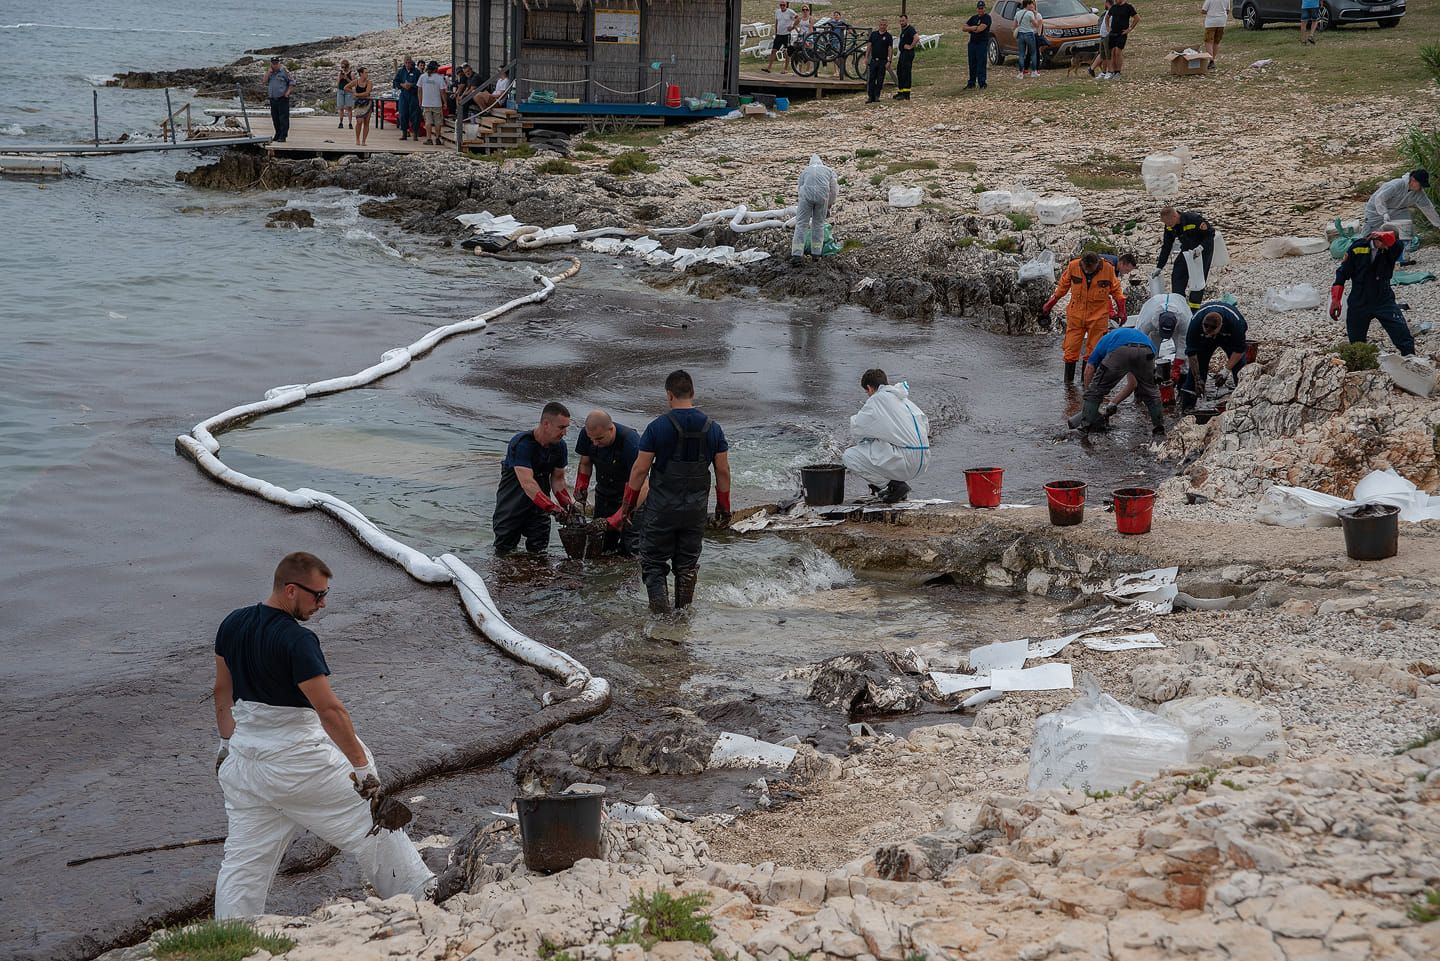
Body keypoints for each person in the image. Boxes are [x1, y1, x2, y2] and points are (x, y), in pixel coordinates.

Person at [212, 552, 440, 918]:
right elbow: (331, 712)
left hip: (246, 766)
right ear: (290, 590)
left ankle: (230, 932)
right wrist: (364, 771)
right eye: (317, 595)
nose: (323, 603)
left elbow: (222, 691)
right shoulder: (297, 641)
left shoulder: (232, 624)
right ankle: (421, 897)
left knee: (244, 862)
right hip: (298, 764)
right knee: (374, 818)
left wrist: (225, 746)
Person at [617, 370, 731, 615]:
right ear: (693, 393)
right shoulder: (713, 428)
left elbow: (639, 470)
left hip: (661, 510)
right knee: (687, 565)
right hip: (695, 510)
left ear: (669, 395)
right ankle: (683, 617)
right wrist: (724, 507)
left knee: (654, 564)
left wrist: (627, 504)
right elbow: (723, 471)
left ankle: (660, 618)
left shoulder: (657, 427)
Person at [492, 403, 574, 554]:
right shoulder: (522, 444)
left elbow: (558, 480)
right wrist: (552, 508)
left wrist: (567, 505)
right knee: (504, 552)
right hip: (512, 506)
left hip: (539, 510)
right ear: (546, 424)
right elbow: (527, 483)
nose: (565, 432)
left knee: (539, 552)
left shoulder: (560, 447)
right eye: (561, 427)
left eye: (566, 427)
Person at [841, 368, 931, 503]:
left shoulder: (878, 400)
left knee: (849, 456)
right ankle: (896, 487)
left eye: (867, 392)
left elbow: (857, 428)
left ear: (869, 388)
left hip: (905, 461)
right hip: (923, 460)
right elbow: (925, 427)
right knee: (879, 443)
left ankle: (893, 486)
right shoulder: (903, 399)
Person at [1043, 251, 1127, 384]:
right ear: (1081, 263)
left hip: (1098, 316)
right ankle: (1068, 385)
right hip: (1076, 314)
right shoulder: (1073, 266)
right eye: (1085, 267)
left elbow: (1117, 291)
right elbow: (1062, 287)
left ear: (1097, 264)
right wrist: (1050, 304)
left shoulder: (1108, 269)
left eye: (1090, 268)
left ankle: (1086, 383)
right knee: (1070, 349)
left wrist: (1122, 311)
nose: (1087, 271)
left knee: (1093, 351)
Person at [1332, 226, 1416, 357]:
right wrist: (1336, 300)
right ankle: (1359, 366)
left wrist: (1387, 240)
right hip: (1359, 299)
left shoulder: (1395, 246)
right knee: (1356, 342)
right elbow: (1342, 273)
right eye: (1384, 244)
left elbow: (1392, 245)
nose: (1387, 248)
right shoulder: (1357, 248)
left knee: (1402, 334)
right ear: (1377, 238)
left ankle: (1411, 360)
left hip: (1383, 297)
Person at [574, 410, 646, 556]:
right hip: (604, 495)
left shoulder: (631, 442)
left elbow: (644, 485)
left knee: (630, 549)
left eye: (599, 439)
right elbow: (585, 463)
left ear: (611, 429)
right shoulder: (587, 435)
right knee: (601, 546)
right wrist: (581, 485)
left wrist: (620, 517)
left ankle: (629, 577)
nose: (595, 443)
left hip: (631, 499)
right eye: (592, 439)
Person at [1072, 327, 1165, 434]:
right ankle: (1159, 428)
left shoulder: (1105, 339)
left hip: (1119, 352)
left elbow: (1089, 369)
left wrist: (1088, 397)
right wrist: (1113, 404)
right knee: (1151, 392)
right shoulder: (1141, 337)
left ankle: (1084, 428)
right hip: (1147, 351)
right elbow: (1132, 384)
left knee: (1096, 390)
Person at [1180, 302, 1247, 410]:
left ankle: (1243, 399)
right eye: (1207, 332)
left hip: (1228, 338)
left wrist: (1225, 371)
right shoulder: (1195, 323)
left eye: (1212, 333)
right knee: (1198, 366)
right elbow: (1192, 353)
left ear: (1221, 326)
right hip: (1204, 342)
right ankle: (1188, 405)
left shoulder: (1236, 323)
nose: (1210, 336)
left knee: (1239, 368)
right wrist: (1197, 378)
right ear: (1202, 324)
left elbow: (1239, 350)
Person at [1156, 206, 1216, 310]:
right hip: (1187, 250)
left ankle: (1194, 308)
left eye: (1168, 222)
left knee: (1198, 279)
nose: (1167, 225)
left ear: (1174, 216)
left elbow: (1210, 234)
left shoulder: (1193, 219)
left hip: (1203, 251)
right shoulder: (1170, 226)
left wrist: (1201, 247)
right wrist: (1159, 266)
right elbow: (1167, 246)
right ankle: (1179, 303)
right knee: (1178, 273)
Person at [1362, 170, 1439, 236]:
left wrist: (1438, 224)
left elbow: (1428, 209)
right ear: (1413, 180)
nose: (1422, 187)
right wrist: (1384, 213)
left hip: (1398, 210)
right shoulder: (1396, 184)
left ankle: (1403, 248)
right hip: (1375, 209)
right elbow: (1379, 199)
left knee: (1406, 230)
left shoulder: (1419, 193)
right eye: (1421, 185)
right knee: (1368, 234)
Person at [792, 154, 839, 261]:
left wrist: (802, 201)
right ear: (821, 162)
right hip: (822, 198)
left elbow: (800, 188)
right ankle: (816, 254)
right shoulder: (829, 171)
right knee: (818, 225)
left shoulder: (805, 171)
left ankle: (797, 254)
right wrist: (829, 204)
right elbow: (834, 189)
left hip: (806, 198)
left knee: (801, 225)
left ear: (810, 163)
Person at [1104, 0, 1138, 79]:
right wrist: (1108, 27)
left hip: (1122, 34)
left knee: (1118, 52)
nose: (1115, 0)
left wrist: (1129, 29)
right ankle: (1113, 71)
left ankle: (1118, 72)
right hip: (1113, 33)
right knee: (1112, 53)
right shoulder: (1114, 7)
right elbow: (1107, 17)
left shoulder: (1128, 7)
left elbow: (1137, 18)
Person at [417, 60, 448, 146]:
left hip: (426, 102)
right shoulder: (439, 78)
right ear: (435, 69)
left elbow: (419, 90)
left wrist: (420, 101)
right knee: (438, 122)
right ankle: (437, 138)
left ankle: (429, 138)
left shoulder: (423, 77)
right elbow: (443, 92)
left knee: (428, 122)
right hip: (437, 103)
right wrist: (445, 102)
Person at [962, 1, 992, 90]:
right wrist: (972, 28)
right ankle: (971, 83)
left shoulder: (987, 18)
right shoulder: (973, 18)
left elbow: (980, 29)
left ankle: (982, 83)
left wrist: (971, 29)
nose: (980, 10)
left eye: (982, 8)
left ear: (984, 8)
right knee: (972, 63)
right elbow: (964, 28)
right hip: (972, 43)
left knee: (981, 63)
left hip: (981, 43)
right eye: (979, 8)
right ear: (977, 9)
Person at [393, 57, 422, 142]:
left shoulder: (416, 72)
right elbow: (396, 82)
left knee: (415, 115)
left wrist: (411, 85)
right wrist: (402, 85)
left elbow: (420, 84)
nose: (408, 64)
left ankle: (415, 134)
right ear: (404, 63)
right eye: (406, 62)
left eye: (409, 62)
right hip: (404, 95)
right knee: (403, 114)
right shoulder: (401, 72)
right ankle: (404, 133)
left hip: (414, 95)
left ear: (412, 62)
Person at [865, 18, 894, 103]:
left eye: (884, 25)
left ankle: (877, 96)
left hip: (883, 61)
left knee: (880, 79)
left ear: (887, 26)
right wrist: (866, 57)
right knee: (871, 79)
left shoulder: (888, 36)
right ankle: (870, 96)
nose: (882, 26)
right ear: (879, 25)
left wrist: (889, 61)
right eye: (881, 25)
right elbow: (869, 46)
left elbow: (890, 49)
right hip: (874, 60)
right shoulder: (874, 34)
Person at [266, 57, 293, 144]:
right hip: (273, 98)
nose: (275, 65)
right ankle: (277, 134)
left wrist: (287, 93)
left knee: (283, 118)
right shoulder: (270, 72)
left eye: (276, 63)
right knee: (275, 118)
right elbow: (263, 81)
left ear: (279, 63)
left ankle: (283, 135)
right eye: (273, 63)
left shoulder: (284, 71)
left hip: (282, 98)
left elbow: (292, 82)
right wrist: (268, 73)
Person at [765, 1, 798, 73]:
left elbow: (798, 18)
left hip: (787, 34)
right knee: (773, 50)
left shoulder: (790, 12)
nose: (782, 6)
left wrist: (792, 27)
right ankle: (769, 68)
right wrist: (776, 32)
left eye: (784, 5)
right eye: (781, 5)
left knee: (786, 52)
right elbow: (777, 22)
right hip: (779, 34)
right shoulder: (777, 12)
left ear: (786, 5)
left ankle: (785, 69)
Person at [346, 67, 373, 147]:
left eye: (367, 73)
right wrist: (353, 91)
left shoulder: (369, 82)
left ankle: (364, 141)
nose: (367, 74)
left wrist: (357, 94)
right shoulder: (356, 81)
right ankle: (357, 138)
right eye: (365, 73)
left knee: (366, 122)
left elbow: (367, 93)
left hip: (367, 103)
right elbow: (346, 87)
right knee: (359, 121)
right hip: (358, 104)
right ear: (361, 73)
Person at [894, 13, 919, 100]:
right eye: (900, 21)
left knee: (906, 73)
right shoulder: (903, 30)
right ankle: (900, 91)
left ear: (907, 20)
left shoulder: (910, 29)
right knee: (900, 72)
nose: (901, 22)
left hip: (908, 54)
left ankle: (906, 94)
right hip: (902, 54)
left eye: (903, 21)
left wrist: (911, 46)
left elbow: (916, 38)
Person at [1015, 0, 1041, 80]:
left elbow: (1014, 25)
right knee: (1033, 53)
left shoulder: (1018, 13)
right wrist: (1035, 17)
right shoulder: (1030, 13)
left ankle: (1020, 73)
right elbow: (1036, 25)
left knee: (1021, 54)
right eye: (1031, 4)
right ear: (1028, 4)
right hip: (1029, 34)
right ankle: (1034, 72)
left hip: (1020, 34)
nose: (1032, 6)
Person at [1089, 0, 1113, 79]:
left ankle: (1110, 72)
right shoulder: (1107, 11)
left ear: (1107, 3)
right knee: (1103, 55)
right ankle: (1103, 72)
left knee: (1108, 54)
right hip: (1102, 35)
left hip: (1107, 35)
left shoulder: (1112, 12)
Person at [826, 10, 851, 79]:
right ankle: (836, 71)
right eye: (835, 15)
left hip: (840, 41)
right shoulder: (831, 22)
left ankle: (840, 71)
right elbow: (826, 24)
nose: (836, 16)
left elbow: (848, 26)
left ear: (840, 16)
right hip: (833, 41)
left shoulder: (842, 22)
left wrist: (850, 31)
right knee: (834, 56)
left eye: (837, 15)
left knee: (840, 56)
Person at [335, 60, 354, 129]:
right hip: (340, 91)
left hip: (348, 91)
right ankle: (341, 122)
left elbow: (353, 83)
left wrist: (346, 78)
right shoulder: (340, 73)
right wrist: (340, 77)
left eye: (344, 67)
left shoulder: (351, 73)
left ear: (347, 66)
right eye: (342, 67)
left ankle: (350, 123)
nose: (343, 68)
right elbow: (337, 83)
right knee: (341, 107)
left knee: (349, 108)